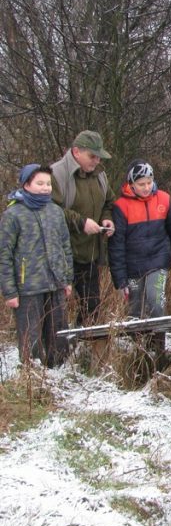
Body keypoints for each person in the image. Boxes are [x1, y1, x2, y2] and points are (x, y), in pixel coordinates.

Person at [0, 164, 72, 367]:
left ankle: (59, 371)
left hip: (55, 283)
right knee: (30, 336)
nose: (45, 188)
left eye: (48, 183)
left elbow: (65, 246)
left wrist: (67, 279)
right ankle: (32, 374)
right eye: (40, 183)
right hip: (27, 287)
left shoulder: (56, 212)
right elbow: (4, 254)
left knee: (58, 333)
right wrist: (10, 291)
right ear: (26, 185)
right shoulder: (13, 215)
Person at [108, 159, 171, 365]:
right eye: (141, 184)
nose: (146, 187)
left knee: (156, 300)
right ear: (131, 183)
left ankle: (160, 349)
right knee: (135, 308)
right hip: (132, 268)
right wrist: (120, 280)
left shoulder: (164, 199)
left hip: (158, 262)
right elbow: (116, 246)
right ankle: (139, 351)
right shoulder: (121, 207)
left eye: (149, 182)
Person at [51, 130, 115, 326]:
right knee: (57, 309)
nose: (96, 161)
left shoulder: (100, 175)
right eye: (92, 156)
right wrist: (81, 222)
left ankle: (84, 345)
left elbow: (109, 202)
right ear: (76, 152)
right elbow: (51, 209)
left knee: (91, 305)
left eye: (98, 157)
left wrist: (106, 219)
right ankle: (56, 352)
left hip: (90, 253)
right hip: (63, 254)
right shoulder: (56, 174)